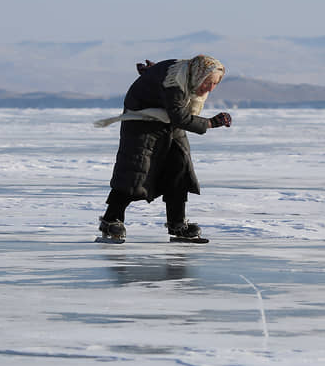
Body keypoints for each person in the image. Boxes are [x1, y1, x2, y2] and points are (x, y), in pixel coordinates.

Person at [94, 55, 232, 242]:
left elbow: (162, 75)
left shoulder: (186, 72)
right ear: (199, 75)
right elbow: (180, 117)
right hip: (142, 121)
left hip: (167, 121)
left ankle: (177, 224)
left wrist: (152, 74)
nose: (210, 88)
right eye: (208, 82)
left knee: (179, 168)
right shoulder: (175, 82)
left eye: (215, 84)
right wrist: (210, 123)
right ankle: (111, 220)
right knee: (136, 172)